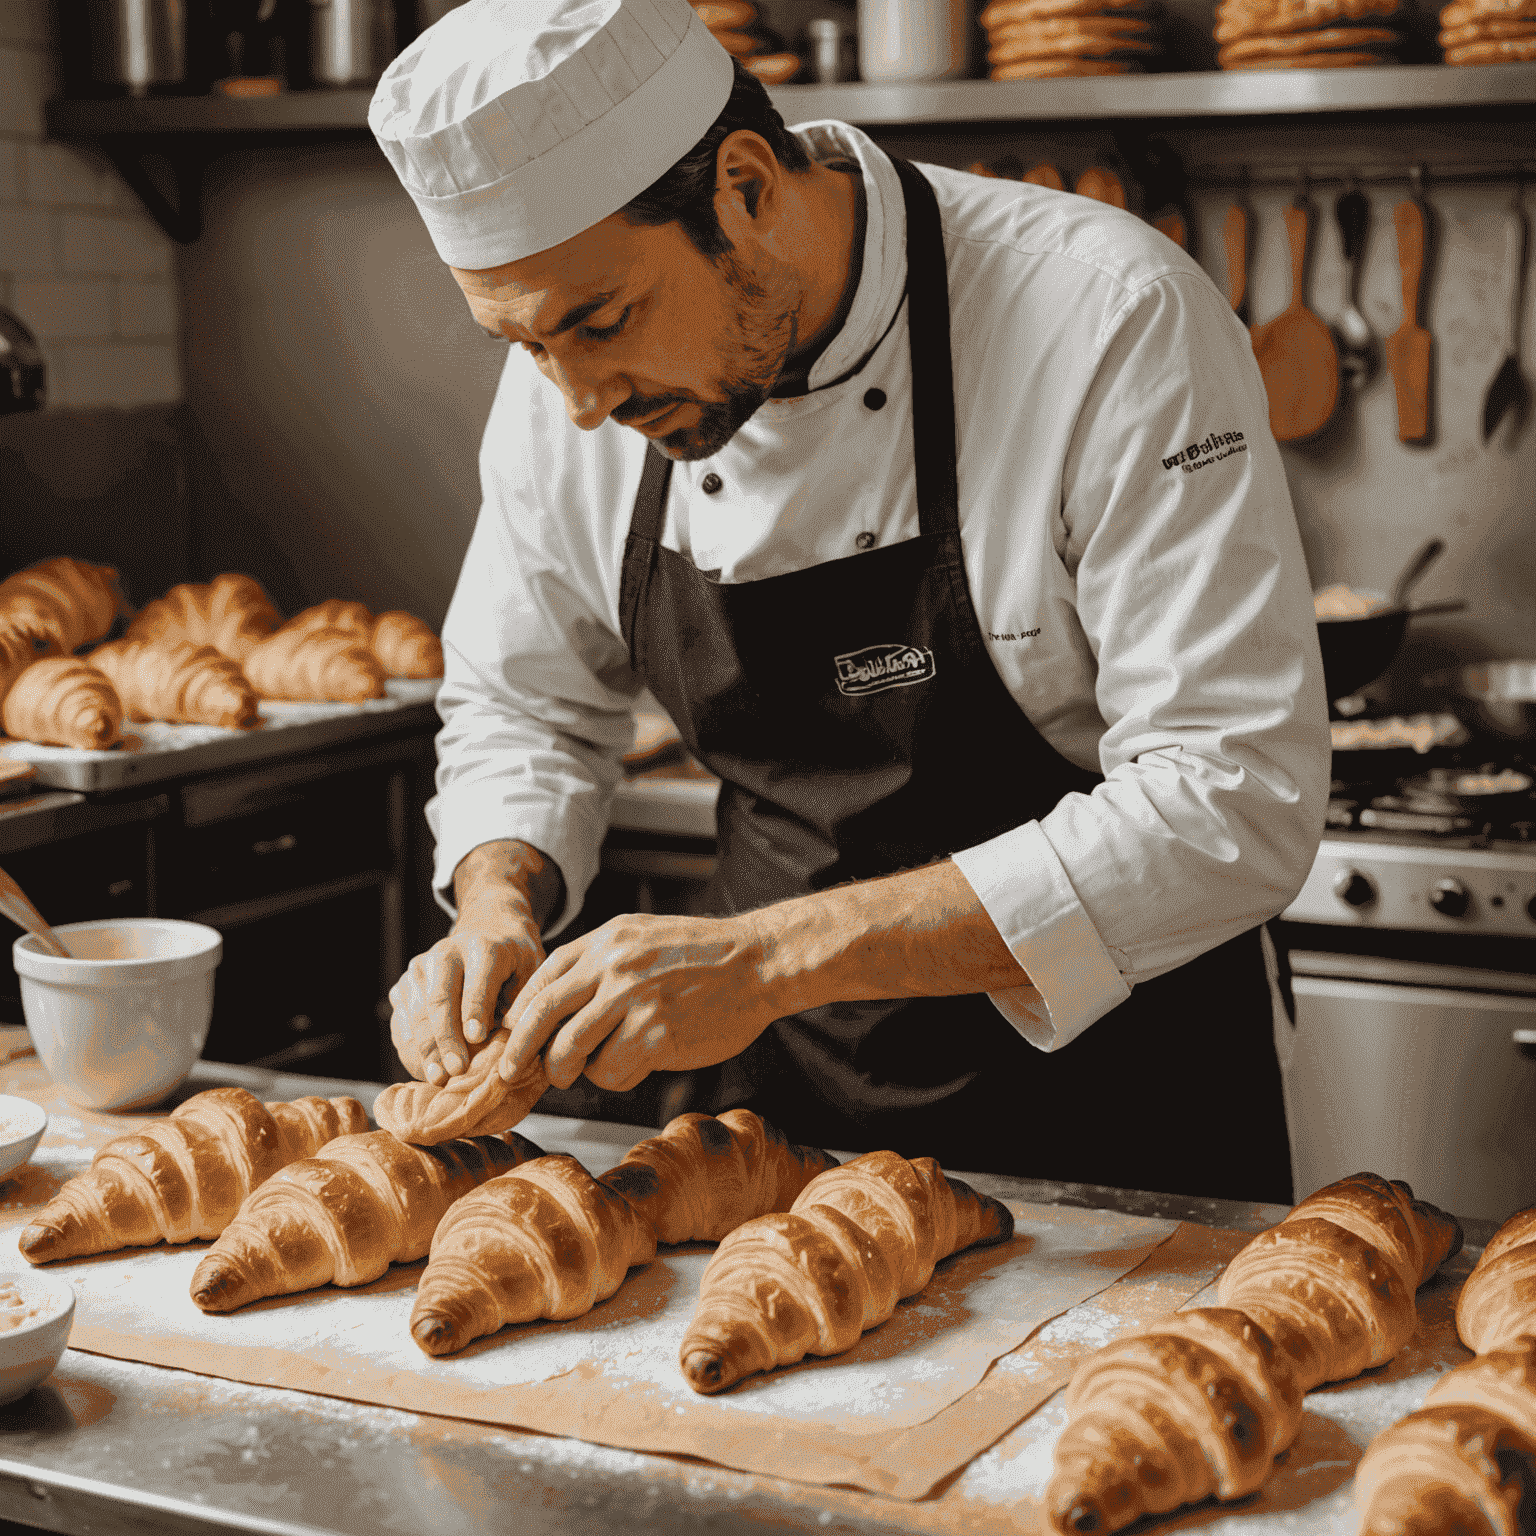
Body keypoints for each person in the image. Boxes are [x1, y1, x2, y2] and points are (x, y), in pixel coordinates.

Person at [369, 0, 1330, 1201]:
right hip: (768, 1142)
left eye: (602, 321)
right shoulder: (573, 386)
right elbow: (527, 704)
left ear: (746, 187)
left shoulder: (1107, 319)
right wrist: (499, 902)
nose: (576, 399)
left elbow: (1232, 800)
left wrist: (768, 955)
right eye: (524, 345)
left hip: (1117, 1123)